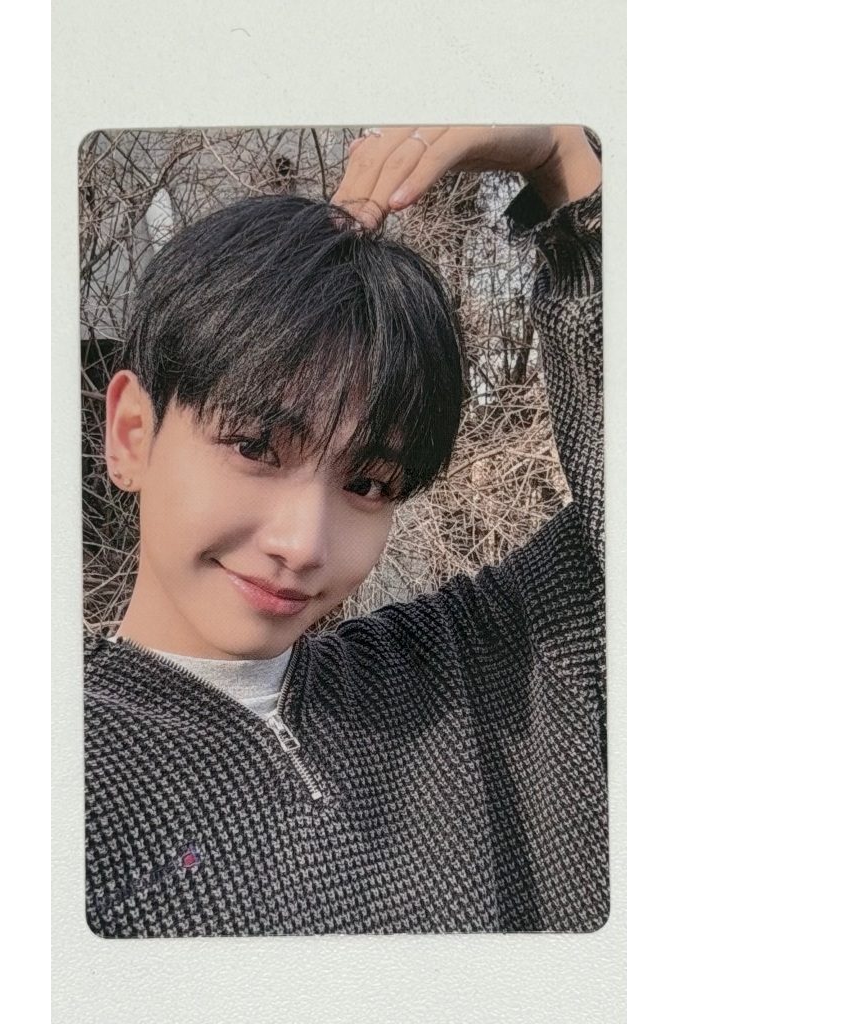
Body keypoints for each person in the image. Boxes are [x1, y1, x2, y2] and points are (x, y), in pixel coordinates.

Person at [85, 125, 606, 936]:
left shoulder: (471, 672)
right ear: (132, 435)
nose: (303, 544)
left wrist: (565, 168)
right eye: (256, 447)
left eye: (367, 484)